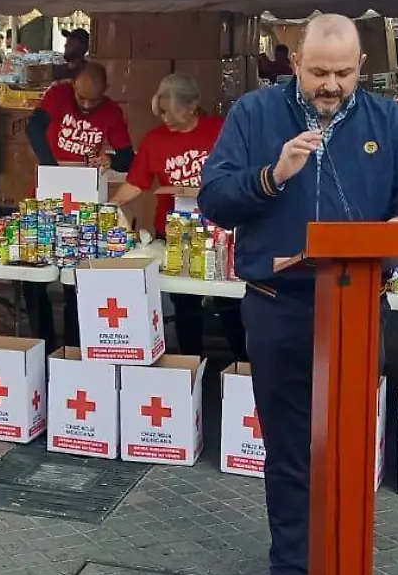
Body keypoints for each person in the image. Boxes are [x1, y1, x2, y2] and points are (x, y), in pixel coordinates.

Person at [200, 13, 398, 575]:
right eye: (317, 72)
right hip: (277, 303)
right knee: (286, 446)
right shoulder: (255, 115)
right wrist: (273, 175)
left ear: (362, 67)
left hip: (358, 304)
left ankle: (346, 573)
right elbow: (214, 198)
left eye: (342, 72)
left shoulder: (390, 121)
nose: (330, 85)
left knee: (351, 446)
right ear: (294, 61)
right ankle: (291, 572)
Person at [109, 73, 242, 360]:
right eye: (160, 112)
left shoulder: (220, 130)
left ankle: (241, 368)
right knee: (185, 305)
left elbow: (242, 174)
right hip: (175, 233)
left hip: (219, 231)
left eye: (170, 112)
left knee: (229, 301)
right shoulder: (154, 140)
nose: (164, 119)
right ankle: (192, 364)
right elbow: (137, 182)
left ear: (191, 105)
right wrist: (112, 203)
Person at [25, 63, 134, 351]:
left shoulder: (111, 112)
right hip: (47, 194)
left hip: (84, 202)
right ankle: (43, 343)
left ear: (106, 91)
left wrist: (110, 159)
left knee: (77, 276)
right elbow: (34, 128)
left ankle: (74, 347)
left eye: (93, 100)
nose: (85, 106)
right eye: (81, 98)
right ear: (72, 85)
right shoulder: (57, 94)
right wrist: (52, 167)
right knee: (34, 273)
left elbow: (127, 157)